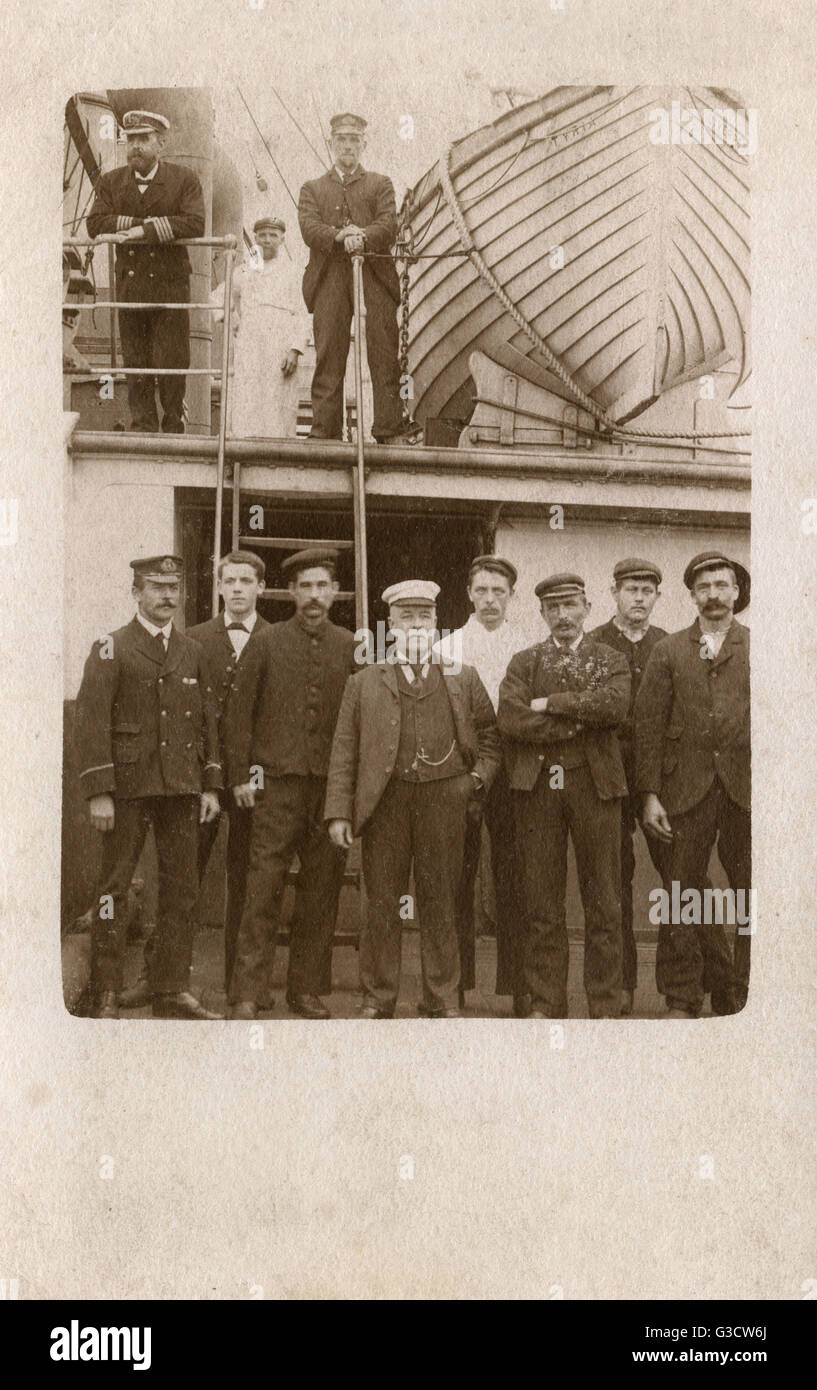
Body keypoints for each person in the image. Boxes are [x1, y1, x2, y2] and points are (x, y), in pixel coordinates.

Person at [325, 580, 500, 1019]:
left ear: (436, 623)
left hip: (445, 802)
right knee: (381, 901)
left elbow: (492, 739)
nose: (416, 626)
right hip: (386, 803)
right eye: (407, 618)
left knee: (441, 899)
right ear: (391, 625)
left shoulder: (463, 676)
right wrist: (338, 813)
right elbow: (344, 750)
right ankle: (378, 997)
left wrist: (474, 781)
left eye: (424, 616)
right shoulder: (364, 681)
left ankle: (441, 996)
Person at [74, 555, 223, 1020]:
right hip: (128, 788)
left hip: (181, 786)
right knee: (113, 889)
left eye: (174, 588)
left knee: (181, 889)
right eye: (156, 587)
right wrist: (99, 790)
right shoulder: (110, 647)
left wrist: (211, 786)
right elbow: (91, 722)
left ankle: (170, 986)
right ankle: (106, 990)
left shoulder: (192, 649)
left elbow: (206, 722)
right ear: (135, 593)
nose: (168, 597)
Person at [223, 549, 359, 1020]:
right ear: (291, 592)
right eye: (305, 587)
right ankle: (248, 991)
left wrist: (351, 791)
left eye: (323, 586)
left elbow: (363, 722)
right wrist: (240, 776)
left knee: (321, 893)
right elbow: (238, 716)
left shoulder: (352, 645)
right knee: (262, 889)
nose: (314, 596)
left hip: (329, 791)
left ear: (336, 592)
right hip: (274, 788)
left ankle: (306, 990)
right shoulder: (266, 642)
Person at [497, 573, 630, 1019]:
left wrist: (550, 702)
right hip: (538, 790)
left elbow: (613, 707)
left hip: (596, 788)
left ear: (587, 608)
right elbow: (512, 720)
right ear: (541, 614)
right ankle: (546, 1002)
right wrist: (577, 716)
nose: (563, 616)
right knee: (541, 900)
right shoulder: (523, 661)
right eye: (553, 608)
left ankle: (606, 1003)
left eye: (571, 605)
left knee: (604, 900)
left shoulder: (609, 657)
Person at [634, 551, 751, 1018]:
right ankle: (682, 995)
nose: (714, 595)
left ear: (737, 592)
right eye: (704, 587)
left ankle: (740, 992)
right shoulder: (669, 650)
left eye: (722, 585)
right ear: (692, 596)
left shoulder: (759, 649)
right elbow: (648, 726)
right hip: (684, 789)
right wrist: (648, 795)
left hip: (747, 791)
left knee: (748, 894)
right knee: (680, 891)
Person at [435, 555, 527, 1014]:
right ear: (469, 594)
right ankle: (454, 983)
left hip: (517, 775)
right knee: (457, 877)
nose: (490, 600)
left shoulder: (529, 647)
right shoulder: (448, 648)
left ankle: (518, 986)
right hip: (464, 774)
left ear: (511, 596)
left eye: (500, 592)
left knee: (516, 876)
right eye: (482, 591)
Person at [298, 112, 419, 445]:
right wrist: (340, 236)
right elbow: (310, 228)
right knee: (329, 353)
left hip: (374, 275)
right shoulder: (313, 188)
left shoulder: (380, 184)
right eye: (341, 140)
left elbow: (388, 225)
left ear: (363, 144)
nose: (348, 147)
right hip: (330, 278)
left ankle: (388, 429)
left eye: (354, 140)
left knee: (383, 352)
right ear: (331, 143)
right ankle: (325, 432)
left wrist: (362, 237)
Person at [86, 110, 205, 433]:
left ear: (161, 143)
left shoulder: (184, 179)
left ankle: (172, 423)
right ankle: (142, 425)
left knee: (172, 360)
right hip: (131, 287)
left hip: (170, 288)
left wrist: (142, 232)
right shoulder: (111, 182)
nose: (135, 146)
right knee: (136, 360)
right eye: (131, 139)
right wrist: (143, 224)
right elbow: (95, 223)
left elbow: (195, 222)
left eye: (144, 139)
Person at [589, 558, 669, 1015]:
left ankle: (690, 986)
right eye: (630, 589)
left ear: (657, 597)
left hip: (662, 783)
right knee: (612, 883)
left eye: (646, 590)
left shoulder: (671, 645)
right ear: (614, 593)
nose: (638, 598)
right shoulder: (596, 643)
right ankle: (620, 986)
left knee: (681, 878)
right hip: (610, 781)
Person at [215, 216, 309, 438]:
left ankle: (278, 452)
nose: (267, 240)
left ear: (282, 239)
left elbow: (302, 314)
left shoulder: (292, 272)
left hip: (280, 342)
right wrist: (234, 320)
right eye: (263, 235)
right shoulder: (245, 271)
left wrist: (295, 350)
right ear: (255, 238)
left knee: (279, 399)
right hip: (251, 341)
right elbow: (218, 297)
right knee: (249, 394)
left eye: (273, 235)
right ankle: (244, 447)